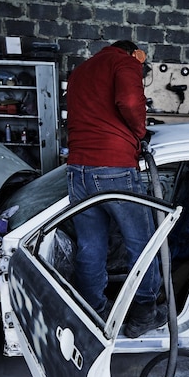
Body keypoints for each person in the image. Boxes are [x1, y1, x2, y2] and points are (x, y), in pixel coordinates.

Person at [65, 40, 166, 338]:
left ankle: (94, 312)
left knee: (90, 246)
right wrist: (138, 133)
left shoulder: (80, 71)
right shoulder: (124, 62)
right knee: (141, 243)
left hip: (77, 171)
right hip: (113, 168)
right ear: (135, 53)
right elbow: (131, 103)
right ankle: (144, 314)